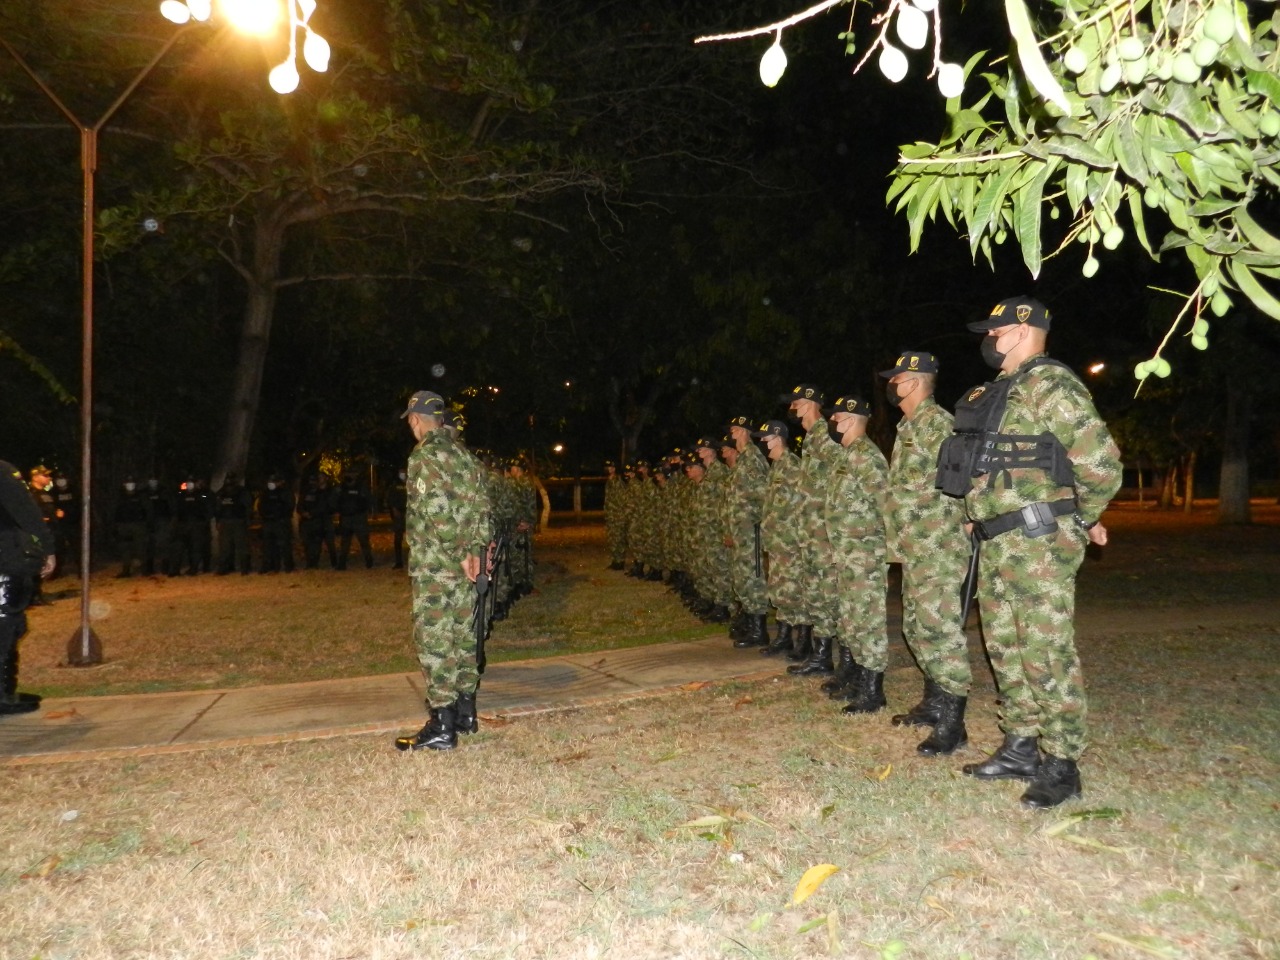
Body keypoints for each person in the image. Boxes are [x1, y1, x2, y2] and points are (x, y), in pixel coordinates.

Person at [939, 295, 1122, 809]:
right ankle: (1020, 746)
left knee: (1045, 651)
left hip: (1038, 541)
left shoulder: (1050, 384)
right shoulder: (1007, 388)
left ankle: (1062, 762)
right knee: (1005, 647)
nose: (989, 339)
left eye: (995, 331)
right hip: (998, 539)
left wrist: (1082, 517)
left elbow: (1101, 462)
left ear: (1021, 330)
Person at [880, 351, 974, 756]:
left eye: (897, 378)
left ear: (916, 381)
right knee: (917, 627)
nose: (891, 384)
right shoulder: (908, 426)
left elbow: (966, 477)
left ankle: (954, 723)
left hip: (938, 546)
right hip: (915, 547)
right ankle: (934, 702)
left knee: (940, 630)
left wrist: (966, 522)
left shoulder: (937, 424)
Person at [394, 391, 490, 752]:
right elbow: (483, 508)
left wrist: (460, 553)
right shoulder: (466, 457)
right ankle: (466, 712)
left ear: (415, 419)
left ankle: (442, 725)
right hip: (467, 567)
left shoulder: (425, 455)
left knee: (435, 642)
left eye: (410, 420)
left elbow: (436, 509)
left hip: (436, 566)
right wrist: (477, 553)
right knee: (463, 638)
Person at [815, 396, 889, 713]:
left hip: (865, 557)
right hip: (846, 556)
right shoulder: (847, 456)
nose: (831, 423)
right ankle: (857, 677)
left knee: (868, 620)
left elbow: (885, 506)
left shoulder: (866, 456)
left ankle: (873, 691)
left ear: (849, 419)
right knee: (852, 620)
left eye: (835, 418)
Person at [0, 460, 55, 715]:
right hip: (5, 555)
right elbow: (24, 509)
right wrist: (47, 547)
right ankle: (3, 693)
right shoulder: (2, 472)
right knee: (6, 623)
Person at [725, 416, 769, 648]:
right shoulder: (742, 459)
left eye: (735, 428)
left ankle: (759, 631)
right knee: (743, 578)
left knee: (753, 578)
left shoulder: (752, 457)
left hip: (751, 530)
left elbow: (763, 493)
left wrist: (754, 520)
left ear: (744, 431)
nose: (731, 432)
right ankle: (750, 624)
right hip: (741, 531)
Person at [258, 474, 295, 574]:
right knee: (268, 545)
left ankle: (288, 566)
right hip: (268, 522)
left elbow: (289, 507)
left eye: (274, 482)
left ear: (280, 482)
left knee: (284, 545)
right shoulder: (266, 493)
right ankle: (269, 566)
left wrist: (279, 514)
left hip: (281, 522)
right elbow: (261, 506)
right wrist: (265, 515)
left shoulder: (286, 492)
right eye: (271, 481)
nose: (271, 484)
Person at [336, 473, 374, 570]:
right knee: (345, 543)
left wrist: (365, 510)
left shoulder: (361, 488)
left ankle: (369, 561)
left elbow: (369, 500)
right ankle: (342, 563)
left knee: (364, 541)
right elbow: (335, 501)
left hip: (359, 518)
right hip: (346, 518)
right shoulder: (341, 488)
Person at [113, 477, 150, 578]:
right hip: (123, 525)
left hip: (139, 525)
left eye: (132, 484)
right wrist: (116, 525)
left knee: (141, 547)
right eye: (128, 484)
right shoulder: (120, 497)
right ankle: (126, 570)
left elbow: (148, 510)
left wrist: (147, 524)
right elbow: (115, 510)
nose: (130, 486)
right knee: (125, 548)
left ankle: (144, 569)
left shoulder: (141, 497)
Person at [143, 477, 173, 576]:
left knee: (163, 543)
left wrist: (171, 520)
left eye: (154, 481)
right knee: (149, 545)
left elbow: (171, 506)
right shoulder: (144, 493)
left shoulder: (164, 492)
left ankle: (165, 567)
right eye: (151, 481)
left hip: (162, 520)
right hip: (147, 522)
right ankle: (149, 567)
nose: (153, 483)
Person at [603, 460, 625, 570]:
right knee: (612, 538)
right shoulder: (609, 481)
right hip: (610, 514)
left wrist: (620, 512)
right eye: (607, 468)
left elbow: (621, 498)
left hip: (618, 514)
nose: (609, 469)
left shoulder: (618, 480)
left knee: (618, 538)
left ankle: (620, 561)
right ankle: (615, 560)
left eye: (611, 467)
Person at [386, 467, 409, 570]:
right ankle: (398, 561)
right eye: (401, 473)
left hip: (410, 514)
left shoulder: (412, 483)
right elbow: (390, 499)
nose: (403, 474)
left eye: (404, 472)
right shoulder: (394, 485)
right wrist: (394, 511)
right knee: (398, 538)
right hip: (399, 514)